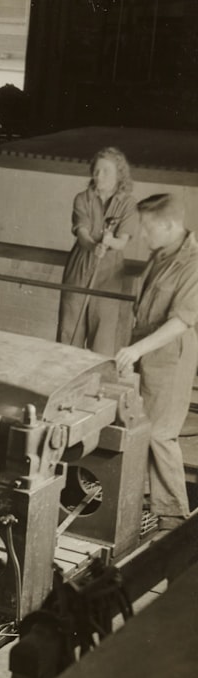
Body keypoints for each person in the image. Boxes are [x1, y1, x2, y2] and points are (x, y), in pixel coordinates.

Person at [115, 193, 198, 531]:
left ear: (169, 225)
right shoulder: (162, 253)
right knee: (144, 430)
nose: (143, 235)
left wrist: (136, 351)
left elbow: (180, 321)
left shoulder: (193, 264)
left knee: (161, 436)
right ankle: (150, 507)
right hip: (148, 354)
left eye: (148, 228)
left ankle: (174, 521)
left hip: (169, 361)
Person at [58, 147, 139, 354]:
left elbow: (123, 241)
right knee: (70, 328)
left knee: (103, 331)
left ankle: (95, 380)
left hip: (110, 271)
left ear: (119, 175)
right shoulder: (82, 198)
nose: (98, 176)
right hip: (80, 264)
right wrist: (93, 246)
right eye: (96, 170)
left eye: (105, 171)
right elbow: (82, 231)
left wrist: (111, 242)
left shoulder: (128, 204)